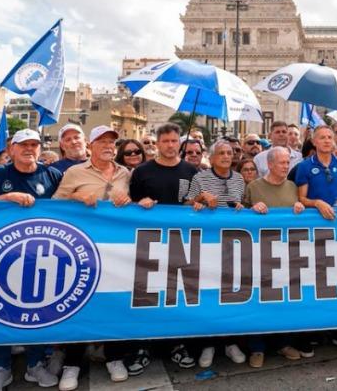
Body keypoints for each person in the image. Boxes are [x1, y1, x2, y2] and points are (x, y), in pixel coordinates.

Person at [0, 129, 62, 391]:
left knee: (40, 310)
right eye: (23, 144)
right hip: (3, 255)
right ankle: (1, 367)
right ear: (11, 149)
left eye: (34, 144)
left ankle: (35, 364)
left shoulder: (52, 174)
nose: (29, 149)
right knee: (2, 310)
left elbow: (68, 206)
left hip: (42, 256)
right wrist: (7, 198)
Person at [52, 126, 132, 388]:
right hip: (82, 249)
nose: (109, 146)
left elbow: (134, 206)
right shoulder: (75, 172)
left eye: (112, 142)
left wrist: (133, 201)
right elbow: (54, 204)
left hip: (117, 249)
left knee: (114, 303)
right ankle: (73, 364)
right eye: (102, 141)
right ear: (90, 146)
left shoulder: (125, 173)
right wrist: (76, 196)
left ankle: (114, 357)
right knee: (81, 303)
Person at [130, 123, 199, 369]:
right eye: (165, 141)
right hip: (148, 242)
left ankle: (176, 344)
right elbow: (130, 204)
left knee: (175, 295)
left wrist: (198, 203)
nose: (170, 145)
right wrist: (140, 203)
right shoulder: (141, 171)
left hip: (181, 242)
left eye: (174, 141)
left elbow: (196, 200)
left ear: (180, 143)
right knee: (147, 294)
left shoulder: (191, 171)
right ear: (157, 144)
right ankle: (143, 345)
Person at [185, 141, 247, 367]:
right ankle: (208, 344)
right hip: (206, 246)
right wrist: (199, 200)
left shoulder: (239, 179)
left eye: (229, 153)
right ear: (211, 158)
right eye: (221, 153)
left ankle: (230, 342)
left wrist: (241, 207)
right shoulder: (199, 178)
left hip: (231, 245)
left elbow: (243, 205)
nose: (226, 156)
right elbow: (185, 204)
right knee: (208, 294)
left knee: (230, 294)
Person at [242, 146, 305, 367]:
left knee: (285, 300)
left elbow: (298, 212)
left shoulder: (292, 187)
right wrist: (252, 208)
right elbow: (238, 215)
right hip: (259, 255)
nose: (286, 166)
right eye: (282, 163)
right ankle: (257, 349)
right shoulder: (253, 186)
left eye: (288, 162)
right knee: (258, 301)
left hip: (286, 254)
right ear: (270, 164)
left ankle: (283, 343)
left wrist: (299, 206)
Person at [295, 125, 337, 220]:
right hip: (314, 219)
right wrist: (317, 203)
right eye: (322, 138)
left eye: (329, 137)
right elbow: (302, 198)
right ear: (314, 142)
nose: (327, 141)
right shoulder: (304, 166)